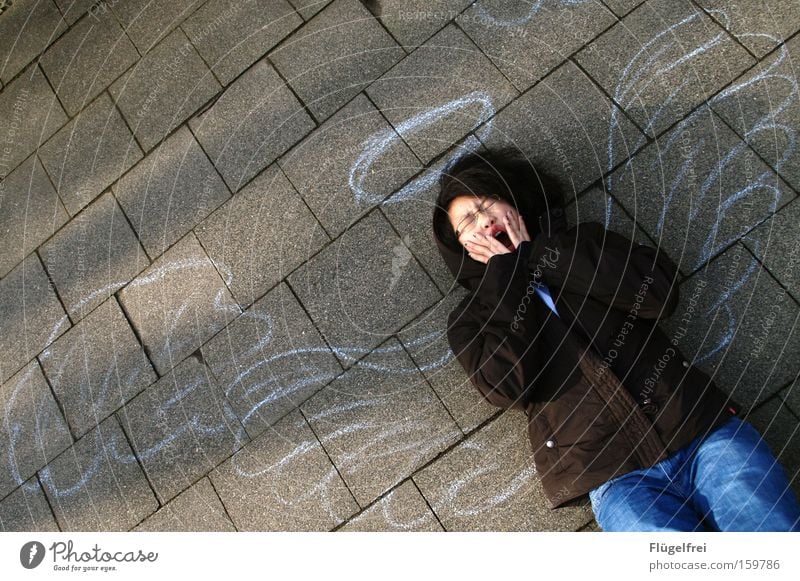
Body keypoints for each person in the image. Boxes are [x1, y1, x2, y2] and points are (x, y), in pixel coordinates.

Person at [431, 147, 800, 531]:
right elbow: (505, 386)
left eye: (487, 204)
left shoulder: (580, 243)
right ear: (461, 247)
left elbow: (658, 292)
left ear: (513, 203)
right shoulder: (470, 321)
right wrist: (504, 279)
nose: (483, 221)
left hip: (702, 432)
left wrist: (537, 253)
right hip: (616, 479)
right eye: (467, 222)